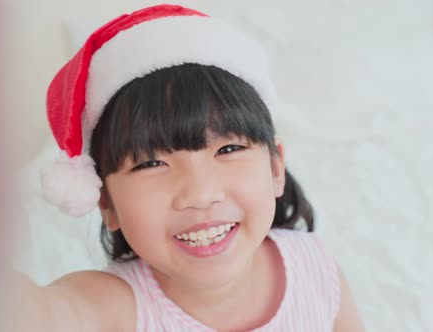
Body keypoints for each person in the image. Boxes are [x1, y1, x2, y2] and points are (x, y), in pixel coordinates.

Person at [24, 4, 365, 331]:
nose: (199, 194)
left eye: (229, 148)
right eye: (151, 163)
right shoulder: (112, 306)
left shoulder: (315, 268)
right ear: (106, 204)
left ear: (276, 168)